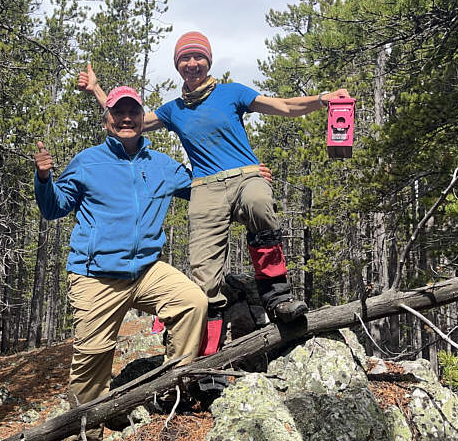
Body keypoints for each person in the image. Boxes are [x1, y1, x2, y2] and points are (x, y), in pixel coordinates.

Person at [79, 31, 349, 332]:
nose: (192, 63)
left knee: (259, 202)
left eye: (199, 57)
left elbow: (284, 106)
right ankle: (207, 351)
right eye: (185, 58)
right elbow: (127, 121)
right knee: (203, 275)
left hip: (246, 176)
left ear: (208, 61)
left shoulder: (232, 93)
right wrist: (96, 90)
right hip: (206, 187)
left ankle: (276, 296)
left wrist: (323, 99)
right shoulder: (173, 110)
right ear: (177, 65)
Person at [33, 85, 207, 441]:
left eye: (133, 112)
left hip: (145, 270)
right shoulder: (87, 162)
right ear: (107, 119)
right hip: (95, 276)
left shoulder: (162, 165)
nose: (126, 118)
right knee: (92, 357)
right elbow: (54, 208)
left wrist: (244, 174)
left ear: (143, 118)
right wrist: (44, 178)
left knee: (192, 302)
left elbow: (203, 187)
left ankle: (173, 390)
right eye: (118, 112)